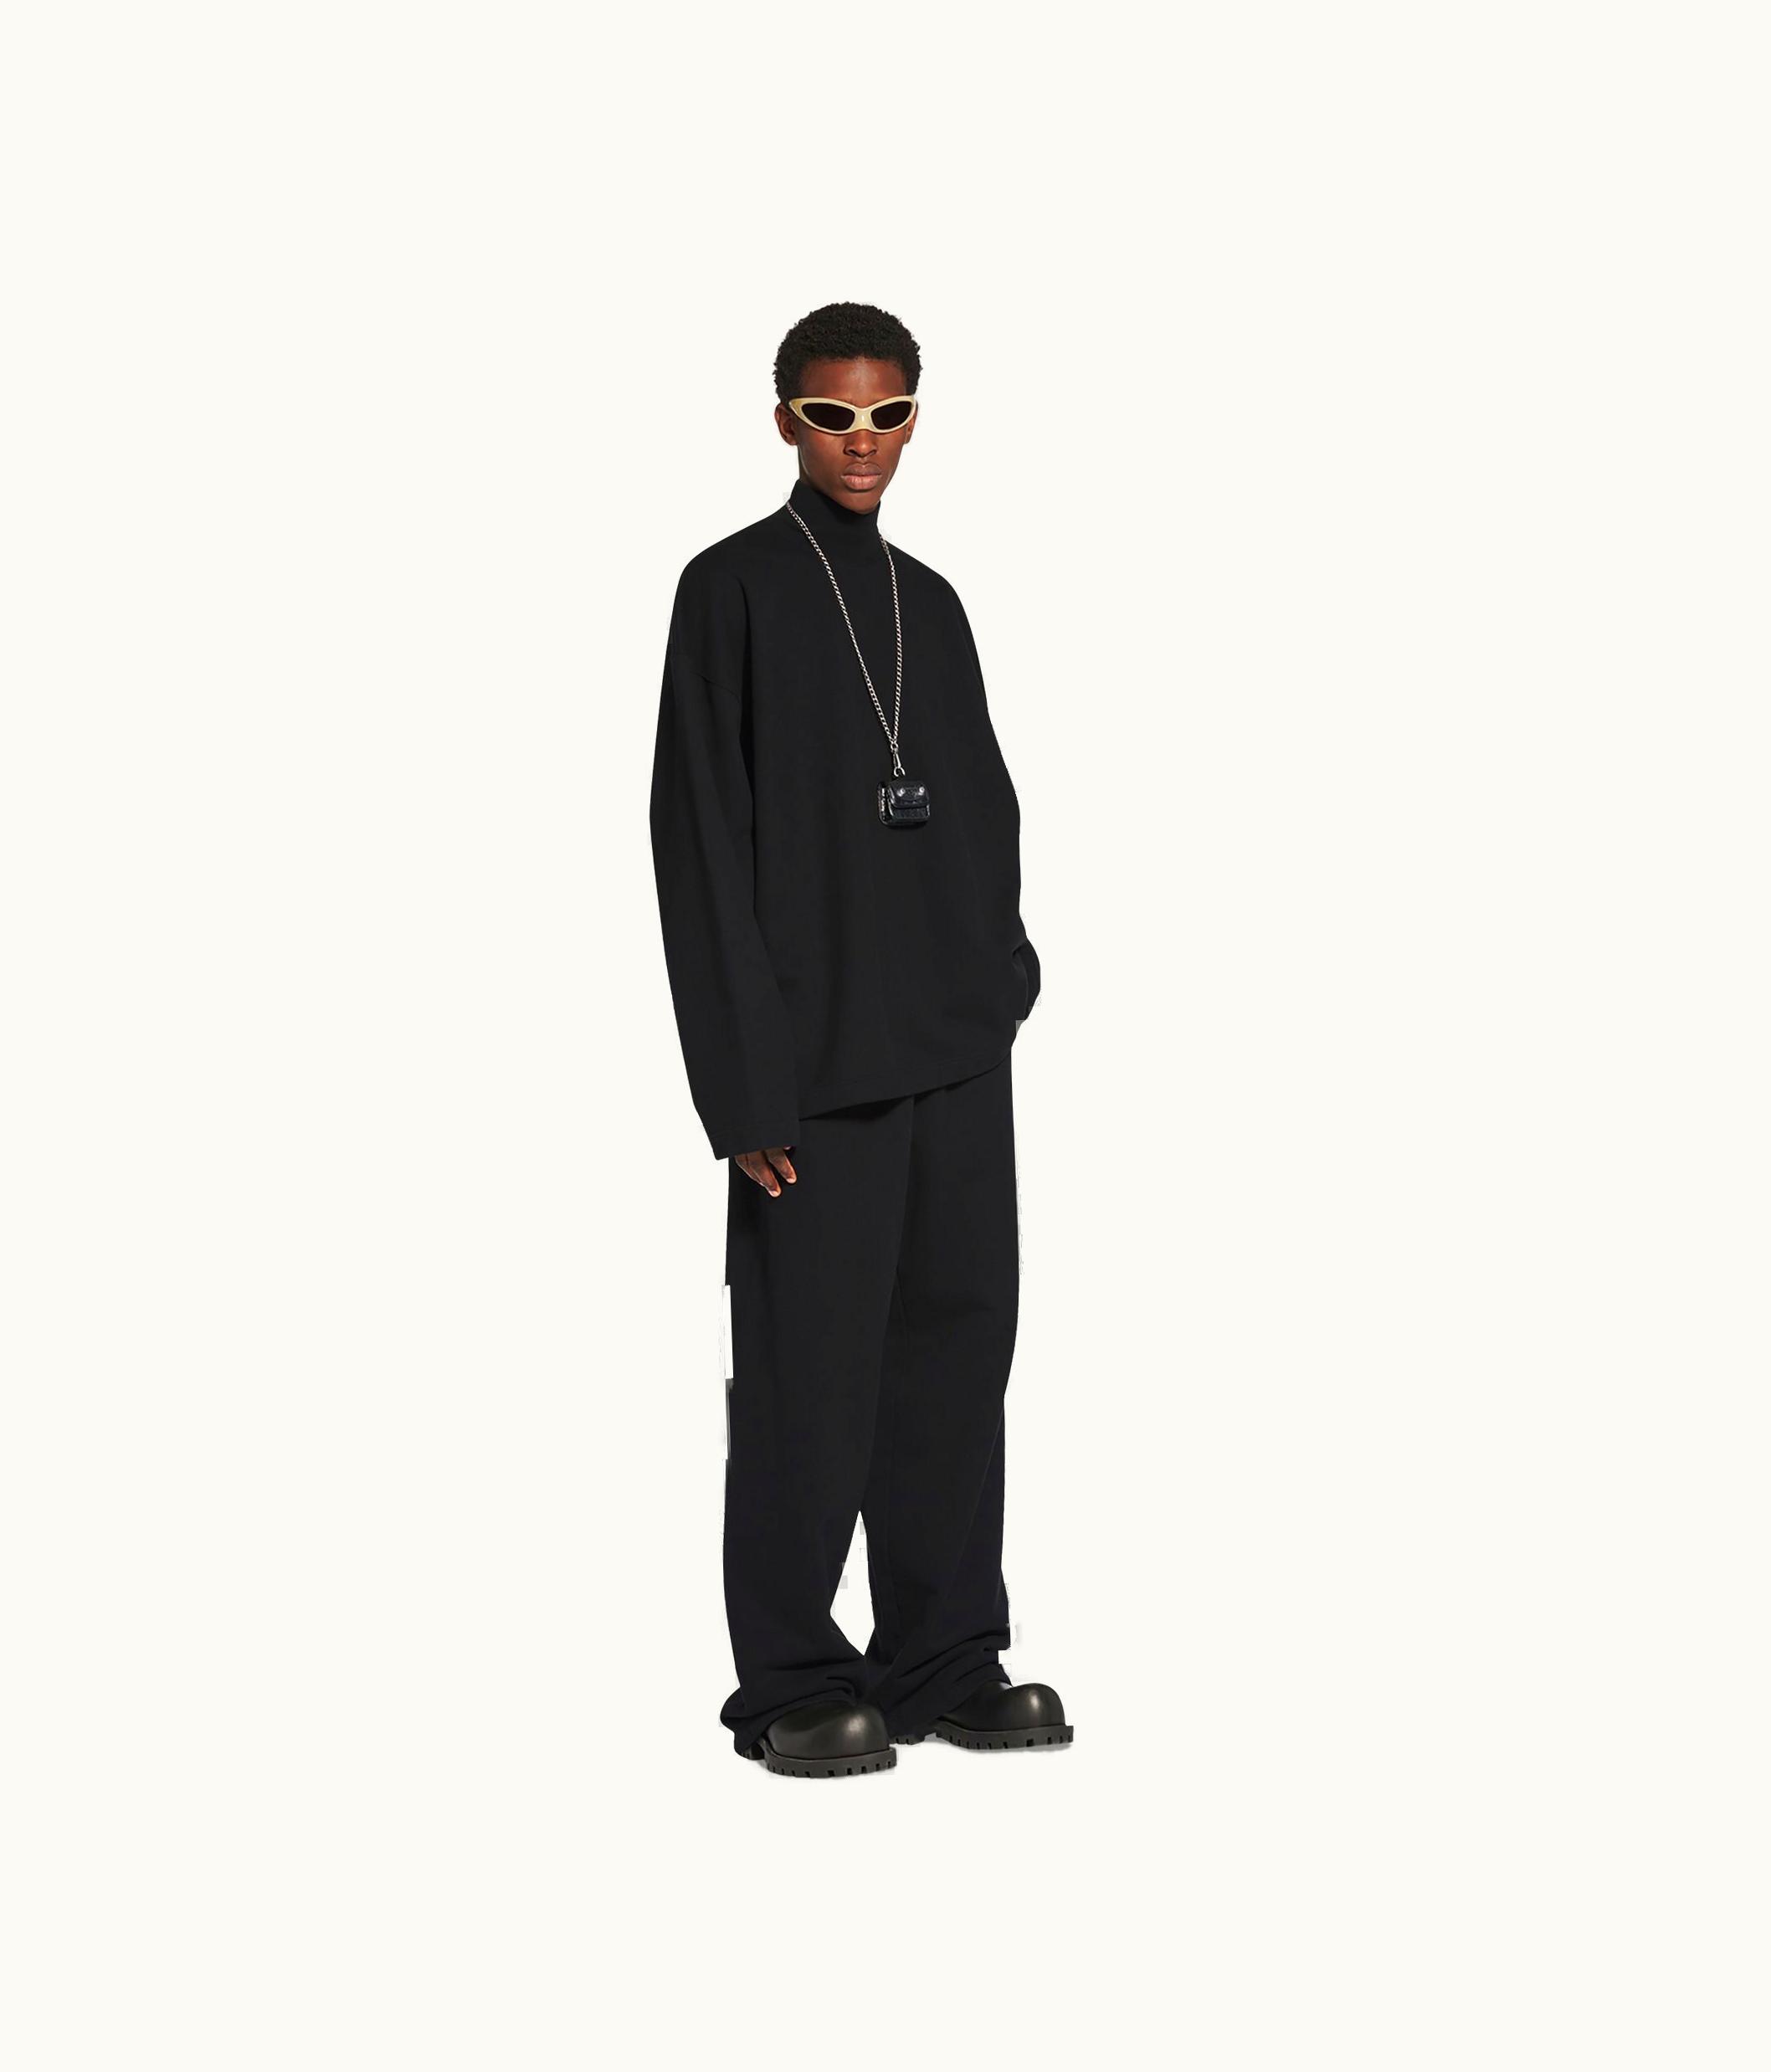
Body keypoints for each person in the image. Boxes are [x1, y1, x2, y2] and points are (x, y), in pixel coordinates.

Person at [648, 300, 1071, 1777]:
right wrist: (741, 1084)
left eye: (887, 414)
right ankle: (791, 1679)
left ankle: (944, 1656)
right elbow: (698, 841)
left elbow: (983, 803)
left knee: (955, 1356)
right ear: (787, 422)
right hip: (811, 1069)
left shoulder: (930, 603)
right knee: (807, 1379)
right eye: (833, 416)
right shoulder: (730, 592)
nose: (862, 443)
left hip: (954, 1051)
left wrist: (1001, 978)